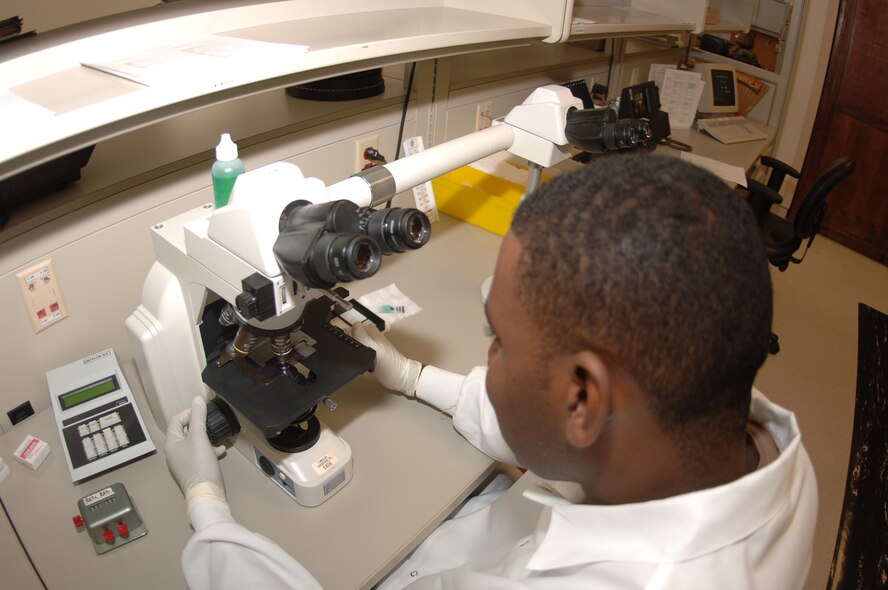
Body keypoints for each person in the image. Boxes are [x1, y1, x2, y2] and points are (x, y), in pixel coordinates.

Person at [164, 152, 818, 589]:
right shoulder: (741, 442)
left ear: (582, 400)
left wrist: (211, 516)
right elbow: (572, 434)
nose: (487, 356)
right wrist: (416, 378)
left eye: (496, 340)